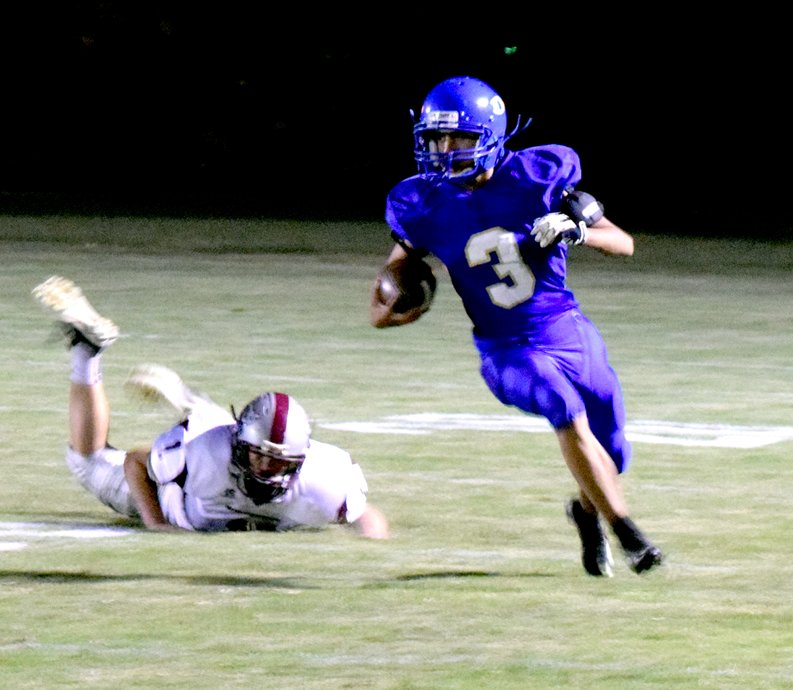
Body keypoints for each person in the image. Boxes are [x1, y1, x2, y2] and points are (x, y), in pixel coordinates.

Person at [369, 76, 662, 576]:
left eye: (458, 139)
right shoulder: (422, 203)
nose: (444, 151)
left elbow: (625, 243)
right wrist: (390, 304)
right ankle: (629, 534)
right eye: (436, 139)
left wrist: (579, 230)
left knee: (613, 446)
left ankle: (586, 513)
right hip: (505, 349)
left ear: (489, 136)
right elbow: (391, 282)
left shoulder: (538, 176)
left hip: (568, 330)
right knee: (562, 408)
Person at [33, 275, 388, 538]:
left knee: (224, 436)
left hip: (220, 458)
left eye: (279, 460)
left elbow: (364, 516)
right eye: (260, 455)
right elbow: (135, 461)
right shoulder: (203, 455)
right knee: (86, 460)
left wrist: (374, 545)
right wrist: (157, 522)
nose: (267, 469)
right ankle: (87, 353)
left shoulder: (325, 478)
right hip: (170, 493)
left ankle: (195, 404)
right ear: (239, 446)